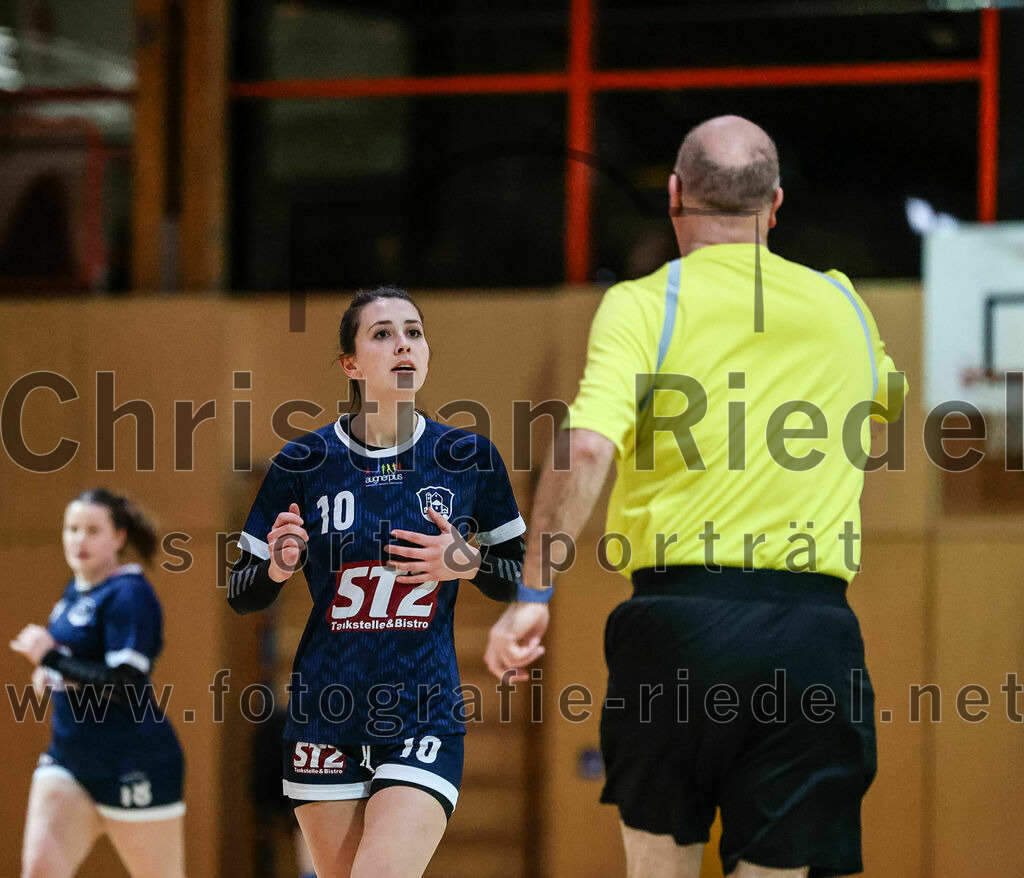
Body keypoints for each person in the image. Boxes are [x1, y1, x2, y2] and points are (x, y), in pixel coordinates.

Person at [485, 115, 908, 878]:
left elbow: (585, 447)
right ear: (774, 204)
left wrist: (532, 592)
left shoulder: (647, 304)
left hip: (677, 627)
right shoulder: (843, 304)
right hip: (811, 634)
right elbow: (889, 398)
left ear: (675, 196)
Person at [228, 286, 527, 878]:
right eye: (383, 334)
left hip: (423, 711)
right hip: (325, 710)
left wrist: (465, 563)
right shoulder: (302, 463)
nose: (403, 346)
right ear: (351, 363)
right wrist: (279, 567)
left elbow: (516, 577)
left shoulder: (468, 457)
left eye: (414, 332)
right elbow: (242, 593)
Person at [10, 489, 187, 878]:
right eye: (72, 529)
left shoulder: (130, 594)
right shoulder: (74, 592)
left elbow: (126, 681)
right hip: (69, 761)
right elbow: (81, 665)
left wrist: (51, 659)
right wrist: (53, 673)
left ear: (119, 537)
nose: (79, 539)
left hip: (134, 762)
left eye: (93, 530)